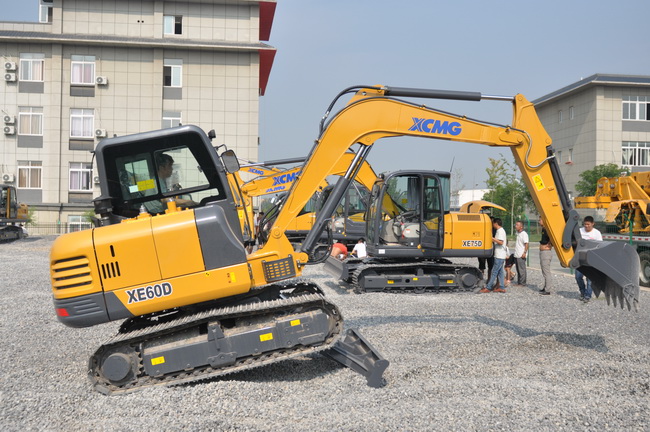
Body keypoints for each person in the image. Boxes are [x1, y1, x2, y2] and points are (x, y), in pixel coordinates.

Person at [575, 215, 602, 303]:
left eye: (588, 224)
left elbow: (599, 246)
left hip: (591, 259)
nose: (586, 226)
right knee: (578, 277)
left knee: (590, 279)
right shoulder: (579, 231)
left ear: (593, 224)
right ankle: (582, 292)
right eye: (585, 224)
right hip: (580, 258)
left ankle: (587, 295)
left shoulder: (596, 233)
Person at [480, 218, 507, 293]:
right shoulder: (501, 230)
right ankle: (501, 287)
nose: (492, 225)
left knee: (494, 271)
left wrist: (492, 238)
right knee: (500, 272)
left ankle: (488, 287)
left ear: (496, 224)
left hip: (499, 255)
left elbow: (501, 242)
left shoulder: (500, 231)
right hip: (500, 255)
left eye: (493, 224)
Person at [538, 219, 553, 295]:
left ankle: (548, 290)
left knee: (546, 272)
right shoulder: (543, 229)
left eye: (540, 220)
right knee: (544, 271)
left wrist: (549, 244)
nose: (539, 221)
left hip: (546, 253)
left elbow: (552, 238)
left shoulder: (547, 230)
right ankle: (545, 287)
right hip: (543, 252)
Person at [513, 220, 529, 286]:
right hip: (517, 254)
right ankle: (519, 282)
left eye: (517, 225)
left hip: (521, 254)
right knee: (518, 269)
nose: (515, 226)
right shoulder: (518, 233)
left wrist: (524, 252)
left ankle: (522, 283)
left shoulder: (524, 234)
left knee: (522, 269)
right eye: (515, 225)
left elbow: (526, 244)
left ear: (521, 227)